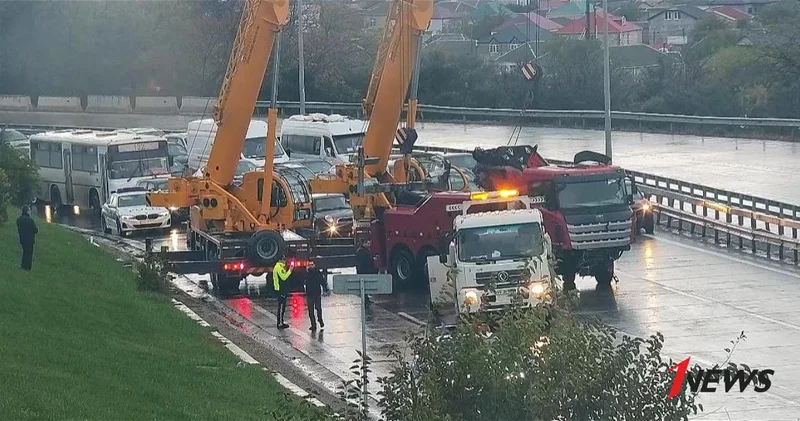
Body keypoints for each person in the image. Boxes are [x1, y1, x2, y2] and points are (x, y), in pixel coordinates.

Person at [304, 261, 329, 331]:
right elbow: (303, 279)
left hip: (316, 293)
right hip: (310, 294)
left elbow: (322, 281)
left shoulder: (317, 272)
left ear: (314, 265)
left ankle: (320, 320)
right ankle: (313, 325)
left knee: (318, 308)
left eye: (312, 265)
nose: (311, 266)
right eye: (309, 265)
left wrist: (326, 289)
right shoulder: (307, 273)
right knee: (311, 311)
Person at [273, 251, 294, 329]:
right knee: (281, 306)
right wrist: (290, 270)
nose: (285, 261)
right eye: (284, 259)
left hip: (281, 289)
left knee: (282, 306)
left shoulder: (279, 266)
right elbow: (283, 277)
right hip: (280, 289)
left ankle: (281, 321)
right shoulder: (279, 267)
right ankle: (280, 323)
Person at [16, 205, 38, 271]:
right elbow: (35, 230)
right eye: (29, 210)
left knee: (25, 252)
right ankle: (27, 268)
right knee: (29, 254)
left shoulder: (19, 220)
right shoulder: (30, 220)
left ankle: (23, 266)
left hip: (22, 239)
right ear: (27, 211)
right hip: (30, 240)